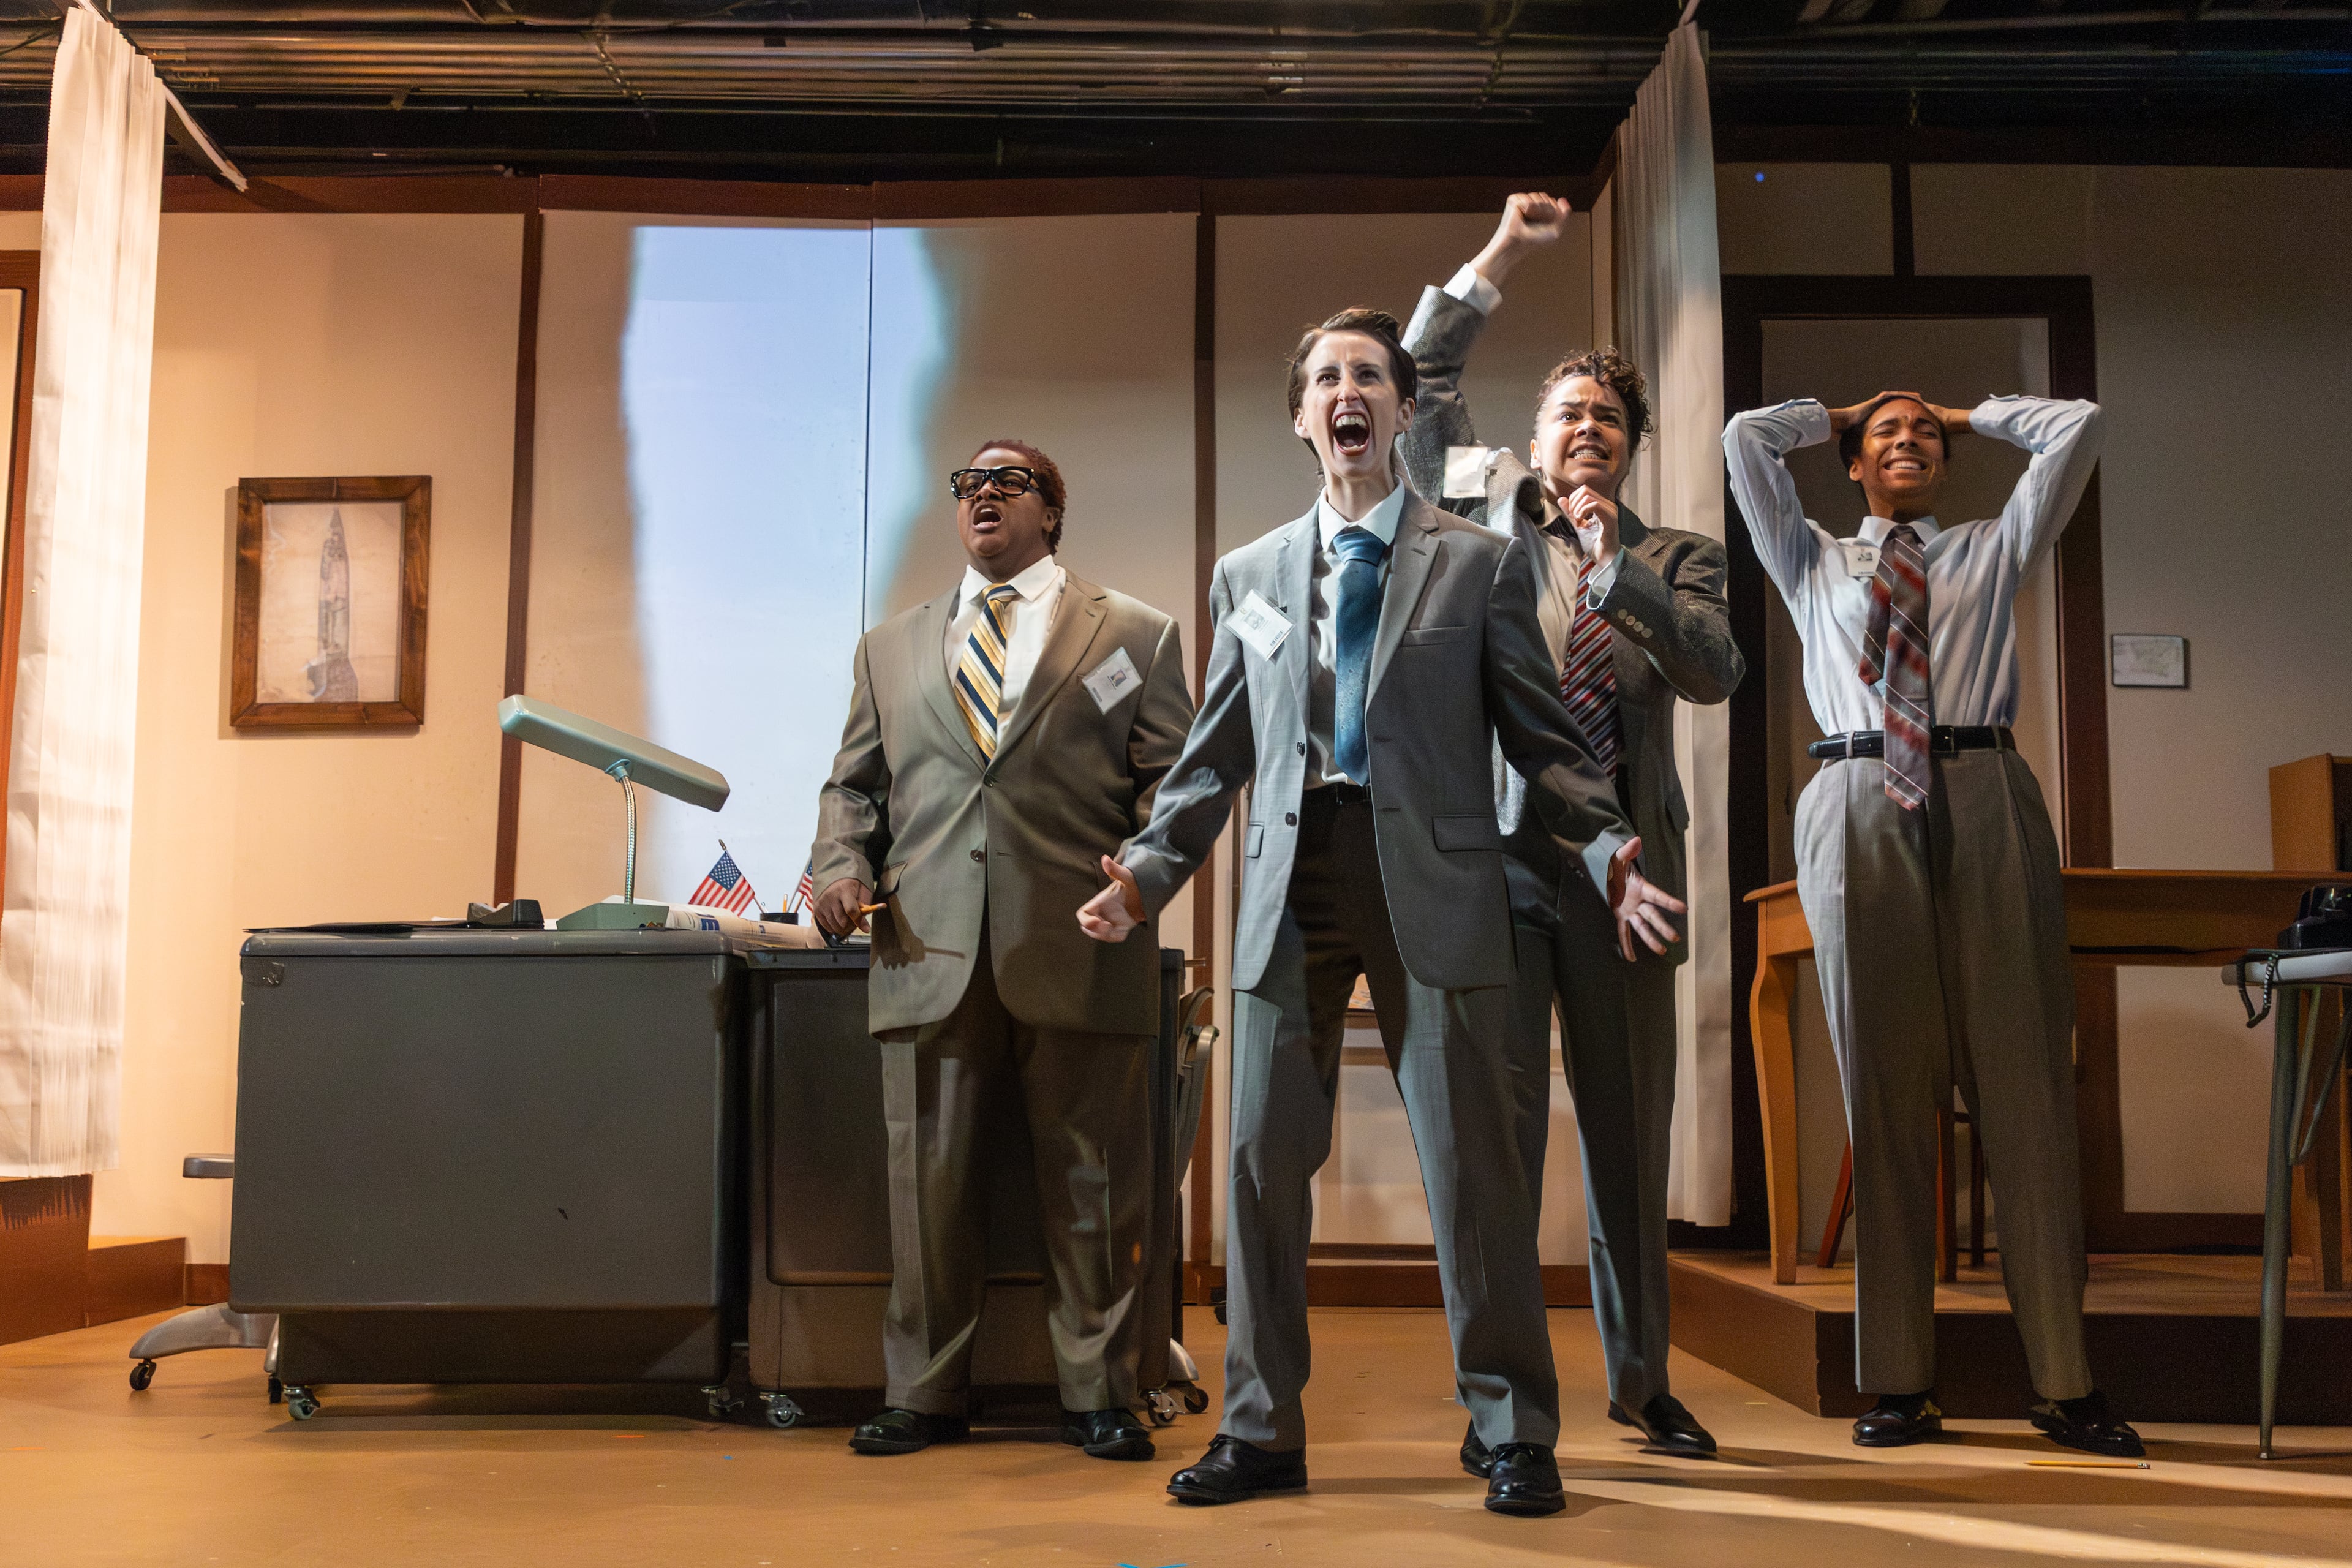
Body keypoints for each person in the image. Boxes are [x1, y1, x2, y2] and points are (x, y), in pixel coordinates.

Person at [1077, 308, 1686, 1517]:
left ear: (1403, 412)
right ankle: (1261, 1429)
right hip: (1288, 888)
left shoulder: (1480, 559)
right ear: (1304, 417)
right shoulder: (1247, 576)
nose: (1349, 392)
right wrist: (1148, 869)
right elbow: (1210, 757)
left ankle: (1514, 1425)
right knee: (1254, 1162)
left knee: (1476, 1169)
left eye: (1371, 375)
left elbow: (1546, 740)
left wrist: (1609, 843)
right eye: (1327, 378)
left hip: (1441, 883)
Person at [1722, 390, 2143, 1458]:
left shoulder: (1994, 547)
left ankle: (2064, 1379)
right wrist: (1842, 409)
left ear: (1945, 461)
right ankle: (1901, 1380)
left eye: (1924, 436)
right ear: (1856, 466)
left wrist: (1966, 409)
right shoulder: (1810, 557)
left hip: (1986, 784)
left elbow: (2078, 426)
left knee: (2028, 1083)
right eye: (1885, 437)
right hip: (1859, 793)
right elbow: (1744, 441)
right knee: (1886, 1085)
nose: (1905, 442)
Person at [1398, 192, 1746, 1464]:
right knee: (1498, 1146)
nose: (1587, 429)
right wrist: (1499, 254)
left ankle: (1644, 1381)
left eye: (1608, 416)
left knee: (1627, 1138)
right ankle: (1502, 1401)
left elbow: (1713, 674)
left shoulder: (1683, 556)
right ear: (1533, 441)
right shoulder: (1475, 521)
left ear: (1632, 444)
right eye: (1567, 413)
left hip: (1631, 879)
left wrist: (1624, 574)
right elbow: (1424, 372)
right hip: (1498, 866)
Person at [812, 439, 1195, 1464]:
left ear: (1051, 509)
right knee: (926, 1192)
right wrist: (839, 861)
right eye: (967, 484)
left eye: (1007, 481)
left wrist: (1146, 876)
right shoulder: (888, 648)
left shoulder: (1137, 637)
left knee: (1094, 1182)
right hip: (925, 945)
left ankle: (1102, 1394)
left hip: (1083, 942)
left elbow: (1178, 784)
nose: (983, 494)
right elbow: (852, 786)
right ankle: (923, 1395)